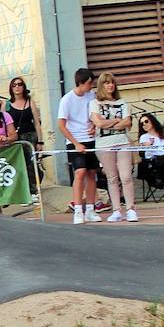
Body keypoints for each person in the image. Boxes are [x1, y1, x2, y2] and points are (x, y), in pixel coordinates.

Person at [90, 71, 137, 223]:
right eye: (106, 82)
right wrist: (117, 121)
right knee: (112, 178)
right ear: (101, 85)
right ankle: (116, 209)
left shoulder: (122, 102)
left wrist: (109, 123)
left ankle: (130, 209)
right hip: (104, 144)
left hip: (122, 141)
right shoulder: (94, 103)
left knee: (126, 176)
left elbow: (127, 123)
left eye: (112, 82)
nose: (110, 85)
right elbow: (98, 124)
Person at [58, 67, 99, 224]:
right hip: (74, 141)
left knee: (91, 173)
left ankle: (90, 209)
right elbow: (61, 125)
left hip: (90, 139)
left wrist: (94, 126)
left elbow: (94, 117)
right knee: (80, 172)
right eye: (89, 83)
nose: (91, 86)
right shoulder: (66, 100)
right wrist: (76, 143)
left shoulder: (91, 97)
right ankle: (78, 210)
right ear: (81, 82)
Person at [7, 77, 44, 204]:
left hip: (30, 136)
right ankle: (24, 192)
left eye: (20, 84)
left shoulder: (29, 101)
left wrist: (40, 141)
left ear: (24, 87)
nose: (17, 87)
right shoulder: (6, 104)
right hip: (15, 138)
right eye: (14, 85)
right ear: (11, 88)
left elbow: (37, 123)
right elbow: (2, 121)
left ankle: (34, 191)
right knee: (19, 165)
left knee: (31, 165)